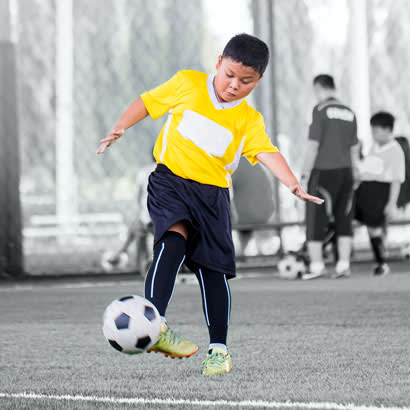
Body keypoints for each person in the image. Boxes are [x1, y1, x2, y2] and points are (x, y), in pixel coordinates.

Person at [97, 33, 323, 376]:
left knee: (212, 271)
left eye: (246, 81)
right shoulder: (188, 83)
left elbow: (267, 152)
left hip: (213, 196)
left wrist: (292, 183)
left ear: (258, 80)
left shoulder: (248, 120)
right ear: (218, 63)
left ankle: (219, 350)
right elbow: (147, 101)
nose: (234, 85)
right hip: (170, 180)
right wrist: (120, 126)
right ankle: (155, 323)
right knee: (173, 240)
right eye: (229, 74)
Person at [301, 74, 359, 280]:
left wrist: (304, 173)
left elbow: (313, 145)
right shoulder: (350, 112)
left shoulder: (320, 110)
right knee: (344, 218)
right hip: (347, 173)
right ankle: (343, 265)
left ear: (319, 88)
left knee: (316, 218)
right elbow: (354, 147)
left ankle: (317, 266)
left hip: (323, 172)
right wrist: (356, 172)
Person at [355, 112, 405, 276]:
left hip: (379, 192)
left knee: (374, 228)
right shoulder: (374, 147)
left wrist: (391, 203)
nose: (373, 134)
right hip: (364, 190)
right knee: (367, 226)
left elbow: (396, 179)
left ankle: (381, 263)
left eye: (376, 131)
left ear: (387, 130)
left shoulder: (396, 151)